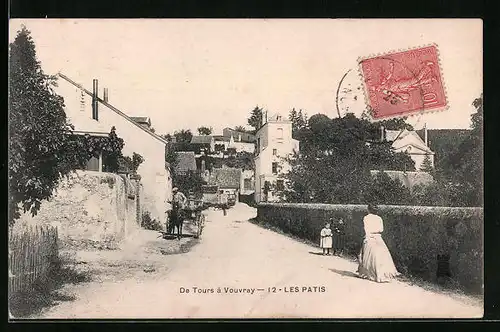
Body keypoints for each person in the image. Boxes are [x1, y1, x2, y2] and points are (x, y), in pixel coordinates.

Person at [357, 204, 400, 282]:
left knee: (369, 256)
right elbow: (381, 229)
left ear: (368, 209)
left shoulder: (366, 218)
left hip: (370, 237)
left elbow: (366, 229)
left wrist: (367, 237)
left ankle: (370, 273)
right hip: (378, 237)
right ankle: (381, 274)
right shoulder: (379, 218)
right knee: (381, 255)